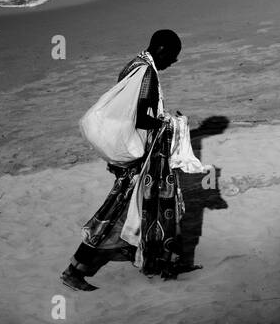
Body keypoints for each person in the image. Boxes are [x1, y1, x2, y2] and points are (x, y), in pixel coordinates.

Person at [61, 29, 186, 292]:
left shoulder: (133, 65)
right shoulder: (147, 75)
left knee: (135, 213)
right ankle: (74, 271)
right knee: (115, 214)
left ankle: (151, 260)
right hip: (136, 162)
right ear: (161, 50)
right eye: (172, 56)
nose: (173, 62)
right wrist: (170, 123)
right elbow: (140, 118)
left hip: (130, 155)